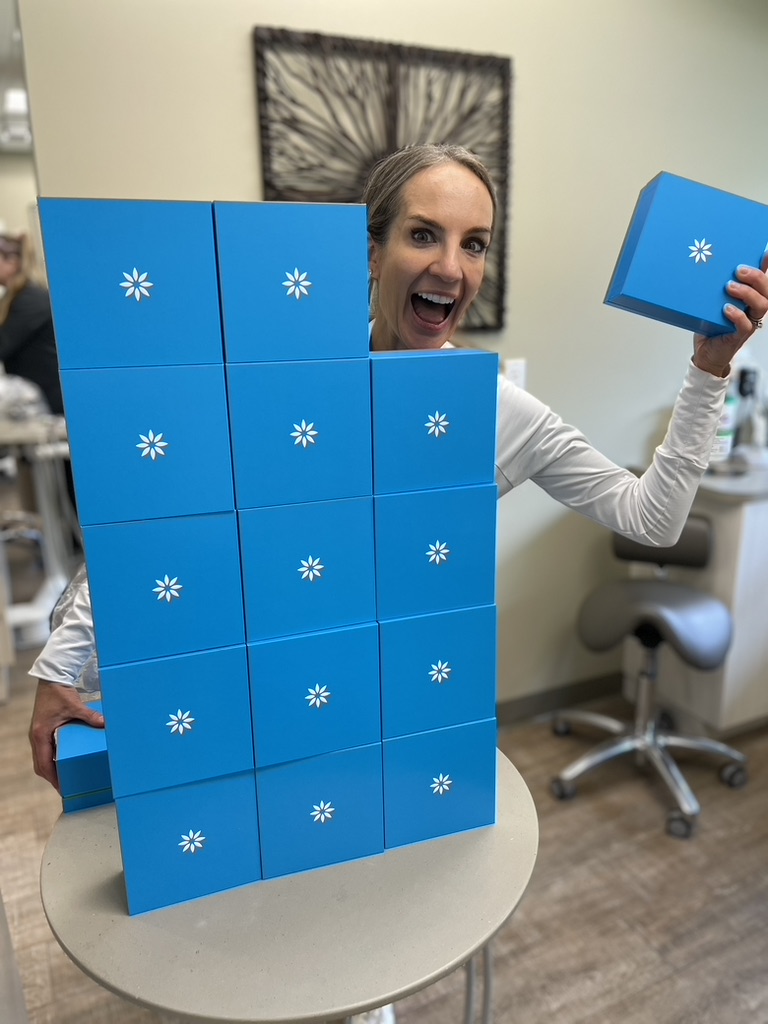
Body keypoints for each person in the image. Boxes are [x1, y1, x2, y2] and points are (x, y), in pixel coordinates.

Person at [24, 143, 768, 1024]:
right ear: (370, 252)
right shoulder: (282, 381)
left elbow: (651, 519)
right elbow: (158, 520)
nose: (452, 267)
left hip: (397, 730)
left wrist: (707, 373)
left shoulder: (494, 411)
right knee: (244, 956)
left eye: (476, 243)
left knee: (367, 955)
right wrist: (57, 665)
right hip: (257, 713)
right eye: (424, 234)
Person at [0, 233, 64, 416]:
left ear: (12, 262)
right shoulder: (15, 298)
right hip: (37, 400)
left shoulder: (30, 300)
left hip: (52, 404)